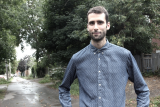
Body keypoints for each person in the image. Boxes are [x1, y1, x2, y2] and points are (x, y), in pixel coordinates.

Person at [59, 6, 150, 107]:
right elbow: (63, 89)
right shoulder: (77, 59)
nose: (96, 27)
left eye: (100, 22)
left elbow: (142, 90)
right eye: (92, 23)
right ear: (87, 27)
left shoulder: (124, 56)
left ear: (108, 25)